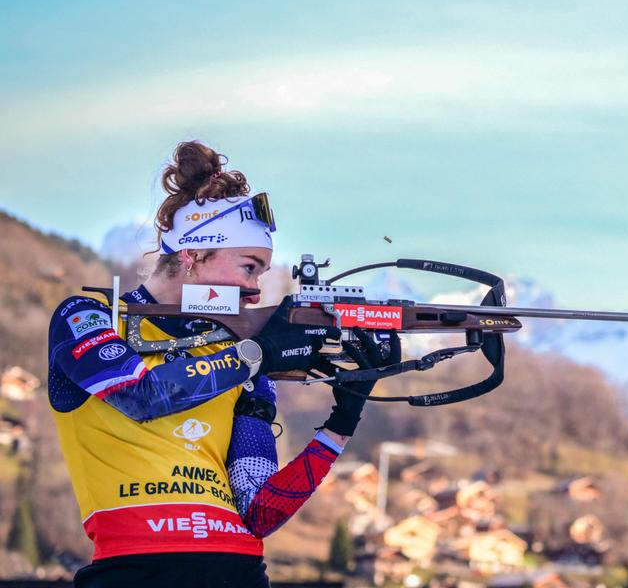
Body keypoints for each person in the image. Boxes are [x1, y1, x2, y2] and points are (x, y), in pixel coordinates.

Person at [48, 141, 388, 587]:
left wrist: (343, 419)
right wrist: (258, 354)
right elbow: (142, 395)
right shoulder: (90, 315)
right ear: (192, 255)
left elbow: (260, 511)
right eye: (249, 267)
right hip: (134, 570)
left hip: (239, 570)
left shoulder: (238, 353)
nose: (255, 289)